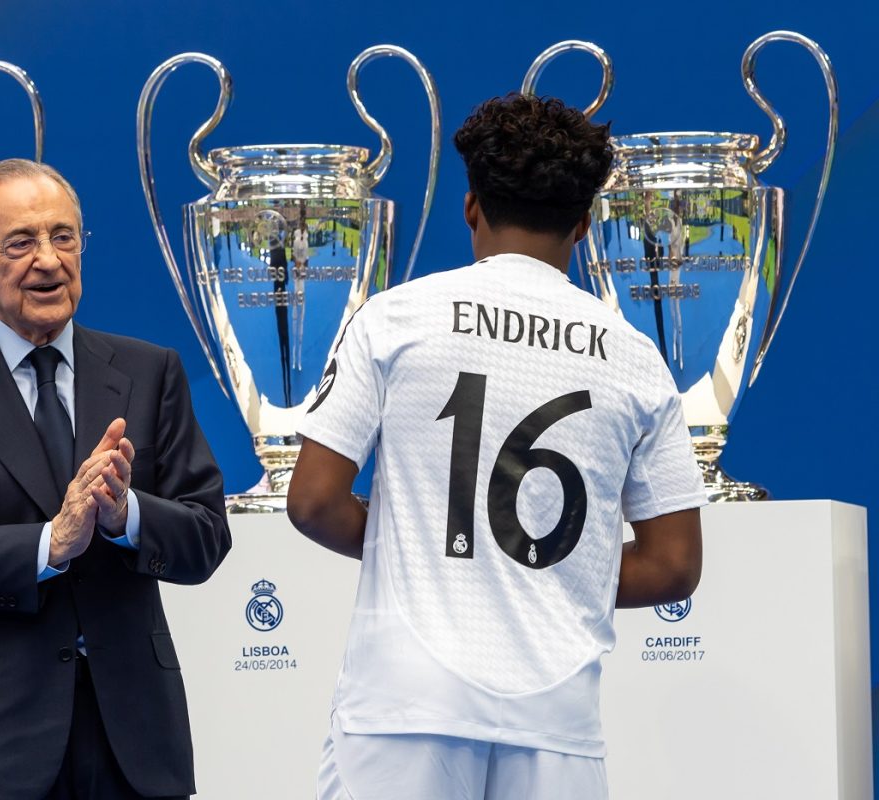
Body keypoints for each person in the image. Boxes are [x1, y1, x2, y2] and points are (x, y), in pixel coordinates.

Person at [287, 94, 705, 800]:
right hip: (556, 717)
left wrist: (423, 548)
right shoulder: (636, 360)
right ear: (584, 223)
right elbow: (673, 565)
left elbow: (313, 502)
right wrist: (548, 572)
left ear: (471, 206)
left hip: (405, 704)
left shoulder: (395, 319)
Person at [0, 158, 231, 800]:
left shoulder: (150, 372)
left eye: (63, 237)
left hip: (138, 744)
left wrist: (125, 516)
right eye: (20, 242)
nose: (48, 260)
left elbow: (207, 536)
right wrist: (49, 543)